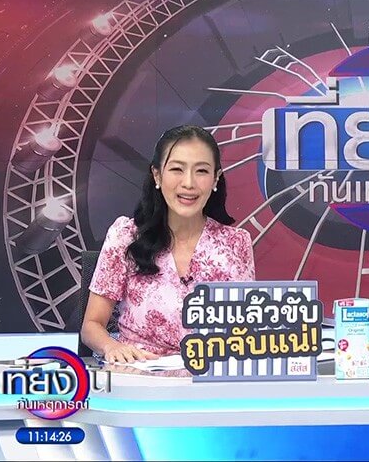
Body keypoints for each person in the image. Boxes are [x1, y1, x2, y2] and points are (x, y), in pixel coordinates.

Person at [81, 125, 255, 363]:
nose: (189, 183)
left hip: (210, 375)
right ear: (157, 175)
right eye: (176, 169)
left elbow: (246, 330)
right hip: (139, 373)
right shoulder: (126, 235)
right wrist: (112, 347)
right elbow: (91, 326)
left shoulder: (236, 243)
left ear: (215, 178)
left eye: (201, 171)